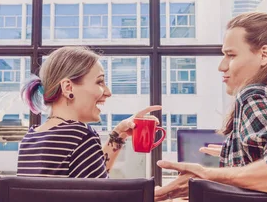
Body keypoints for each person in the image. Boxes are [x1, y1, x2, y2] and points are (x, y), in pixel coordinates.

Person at [154, 12, 267, 202]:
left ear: (264, 55)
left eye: (231, 55)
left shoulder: (254, 94)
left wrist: (207, 175)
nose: (222, 66)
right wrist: (238, 154)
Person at [17, 45, 161, 178]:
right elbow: (101, 199)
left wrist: (119, 134)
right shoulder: (81, 135)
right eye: (99, 82)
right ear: (68, 87)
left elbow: (91, 181)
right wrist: (160, 196)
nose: (108, 92)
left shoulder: (30, 138)